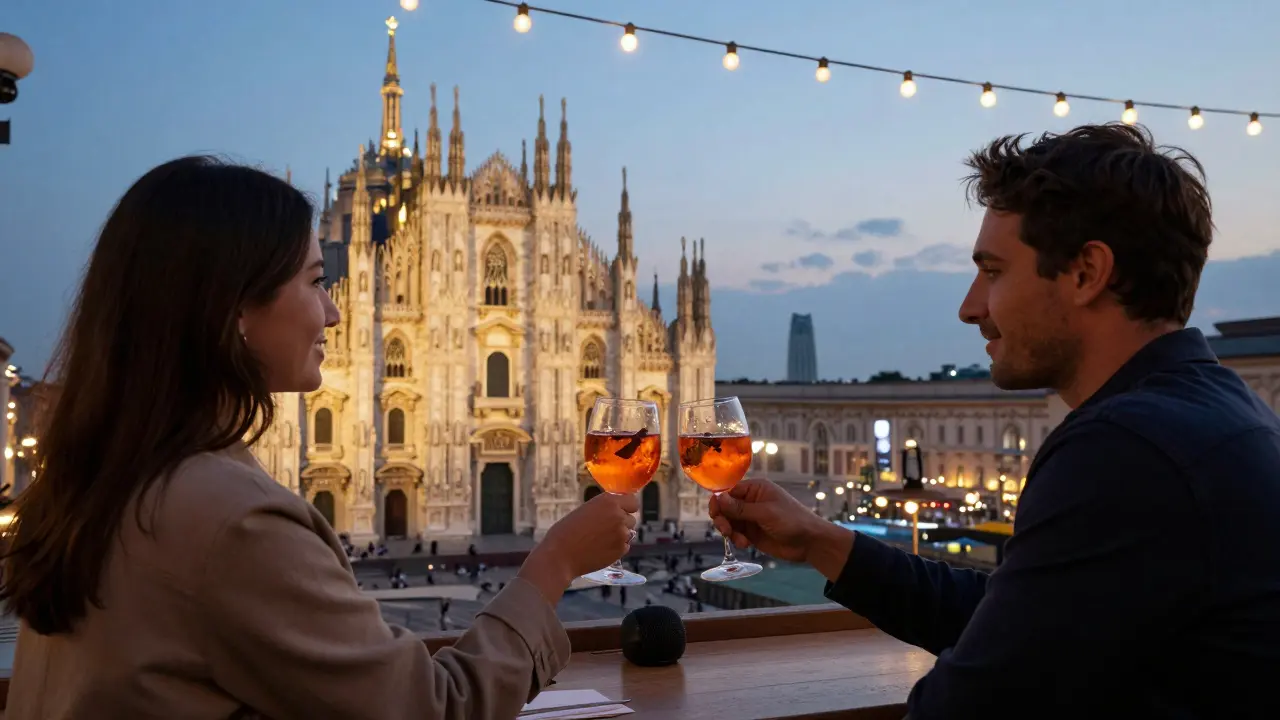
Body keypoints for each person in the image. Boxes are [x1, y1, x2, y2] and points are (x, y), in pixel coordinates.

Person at [0, 156, 640, 719]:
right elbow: (436, 711)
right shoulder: (234, 522)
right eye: (314, 280)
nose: (335, 308)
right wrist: (553, 563)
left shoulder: (107, 482)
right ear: (235, 311)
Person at [710, 124, 1280, 718]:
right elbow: (1009, 616)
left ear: (1087, 272)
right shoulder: (1220, 412)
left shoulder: (1124, 451)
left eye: (993, 271)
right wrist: (824, 542)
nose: (969, 306)